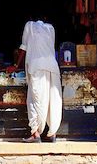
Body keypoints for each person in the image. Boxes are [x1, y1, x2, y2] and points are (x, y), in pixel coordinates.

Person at [6, 13, 62, 143]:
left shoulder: (29, 26)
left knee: (35, 100)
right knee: (53, 99)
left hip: (36, 66)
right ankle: (52, 133)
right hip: (52, 66)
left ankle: (36, 133)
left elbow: (24, 47)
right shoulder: (51, 28)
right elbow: (50, 48)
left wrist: (15, 65)